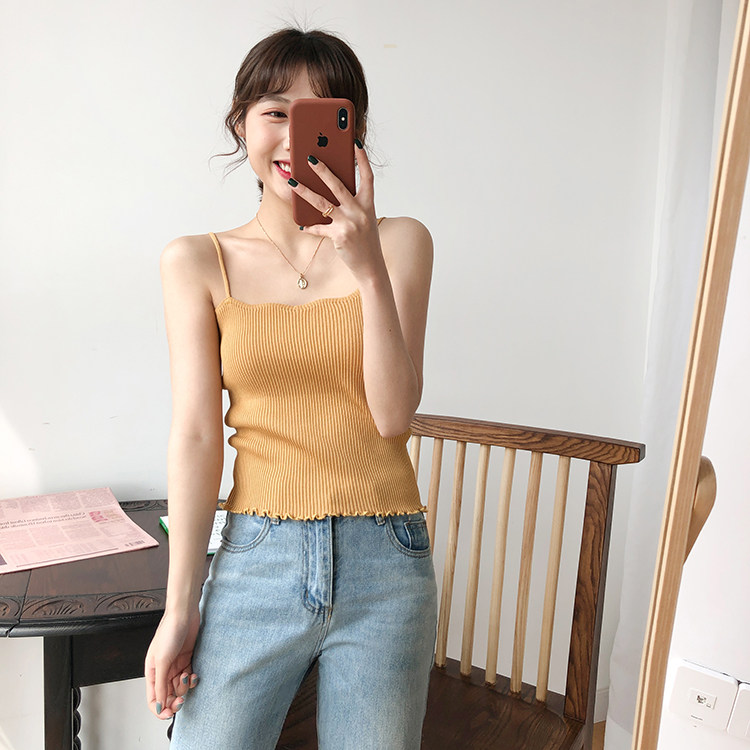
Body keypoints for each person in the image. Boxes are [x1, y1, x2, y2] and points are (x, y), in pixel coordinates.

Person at [144, 27, 437, 749]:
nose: (290, 136)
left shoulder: (401, 243)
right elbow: (196, 434)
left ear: (351, 132)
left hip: (385, 559)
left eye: (319, 114)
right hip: (257, 554)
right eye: (275, 111)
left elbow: (393, 416)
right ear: (240, 124)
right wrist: (180, 606)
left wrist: (366, 265)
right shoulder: (196, 261)